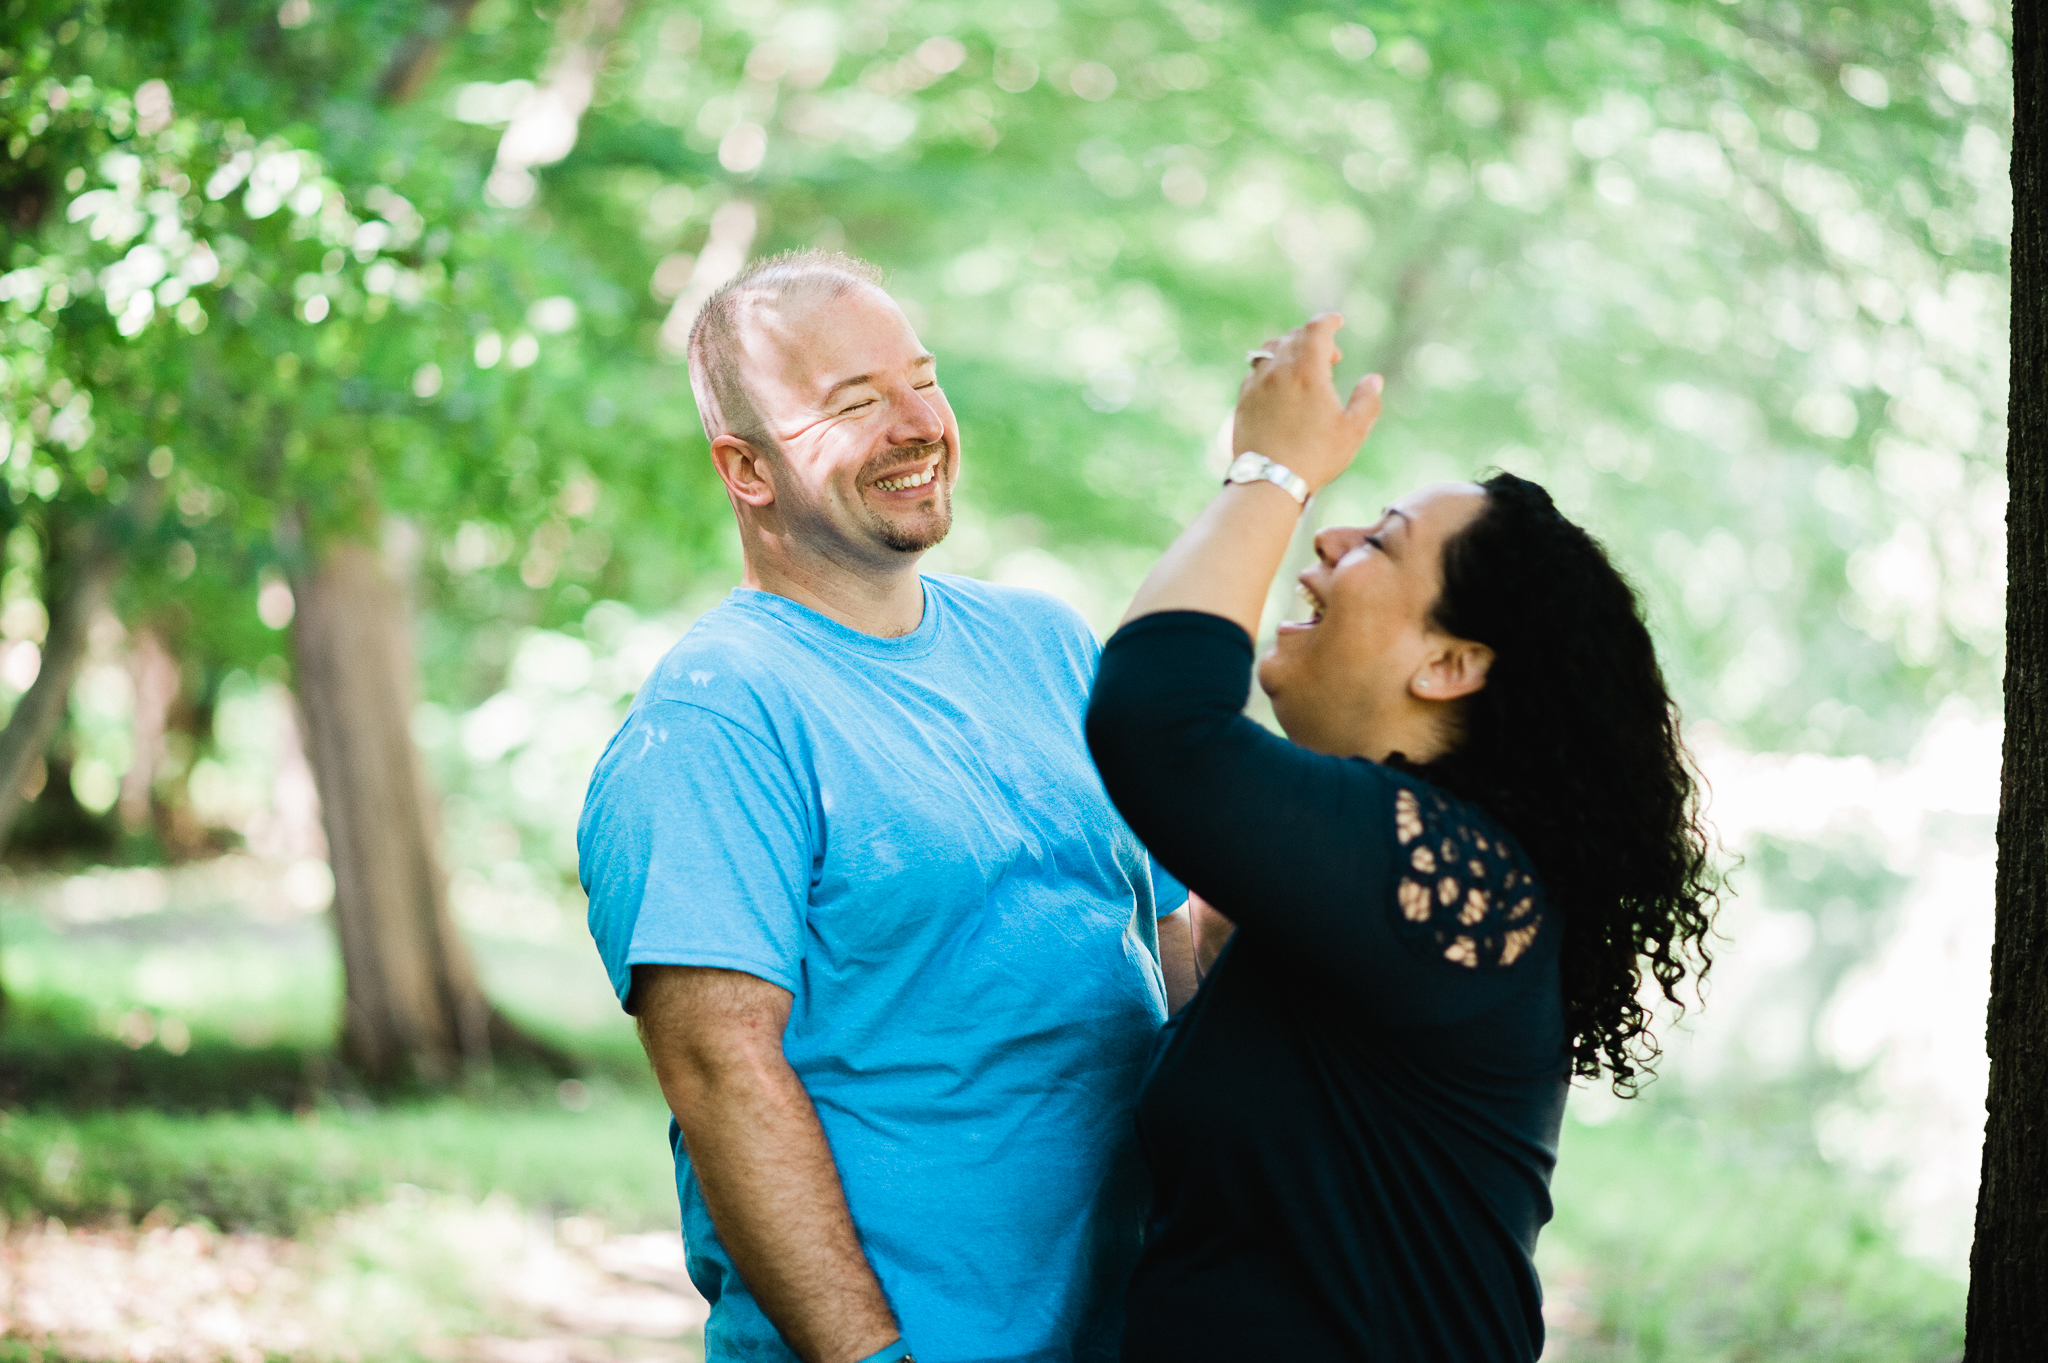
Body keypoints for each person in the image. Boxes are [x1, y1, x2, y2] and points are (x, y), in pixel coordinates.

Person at [577, 250, 1194, 1363]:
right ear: (747, 469)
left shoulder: (1048, 644)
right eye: (854, 404)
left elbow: (1174, 941)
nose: (917, 424)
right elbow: (722, 1074)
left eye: (923, 379)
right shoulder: (719, 716)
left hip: (1142, 1326)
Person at [1084, 315, 1719, 1361]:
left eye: (1377, 540)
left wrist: (1271, 468)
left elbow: (1156, 724)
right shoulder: (1372, 879)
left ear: (1448, 666)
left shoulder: (1463, 876)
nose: (1327, 538)